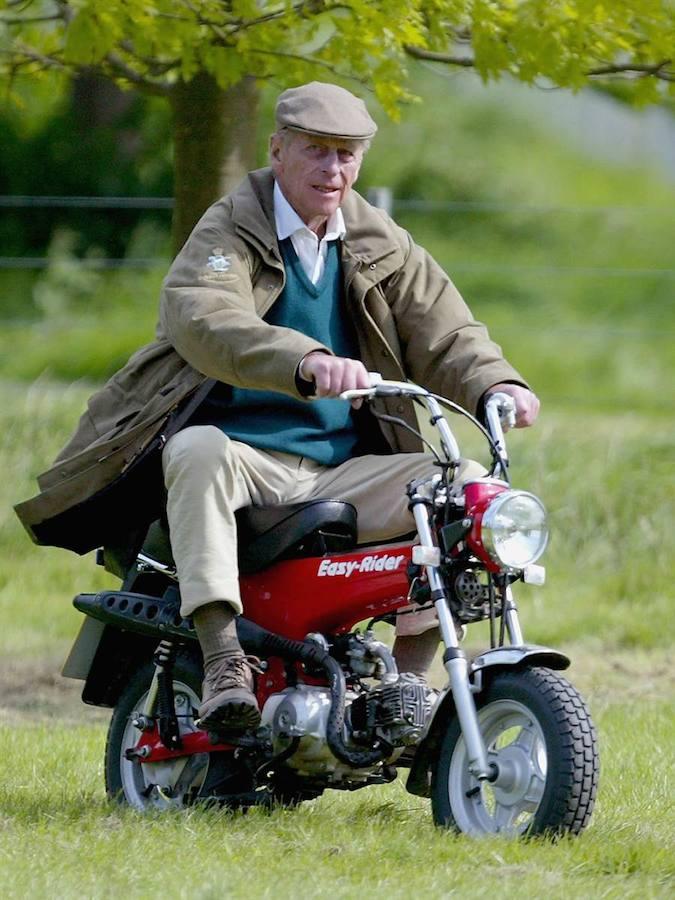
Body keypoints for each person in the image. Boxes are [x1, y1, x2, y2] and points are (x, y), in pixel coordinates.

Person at [15, 82, 539, 737]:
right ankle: (223, 661)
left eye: (346, 154)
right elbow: (206, 316)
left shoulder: (379, 241)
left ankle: (406, 686)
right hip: (243, 459)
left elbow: (447, 332)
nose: (333, 168)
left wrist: (496, 385)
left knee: (461, 488)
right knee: (195, 449)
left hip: (342, 467)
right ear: (276, 149)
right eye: (316, 150)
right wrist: (303, 359)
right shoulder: (230, 228)